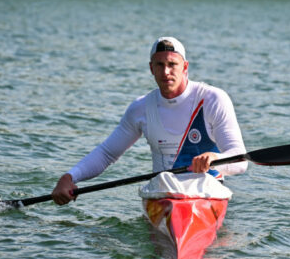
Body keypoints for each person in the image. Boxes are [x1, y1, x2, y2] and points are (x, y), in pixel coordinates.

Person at [51, 36, 248, 205]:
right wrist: (69, 177)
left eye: (172, 64)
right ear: (151, 68)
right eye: (159, 65)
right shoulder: (141, 108)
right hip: (162, 195)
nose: (166, 72)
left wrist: (215, 159)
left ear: (185, 67)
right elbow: (107, 153)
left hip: (207, 192)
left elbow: (240, 160)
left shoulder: (213, 99)